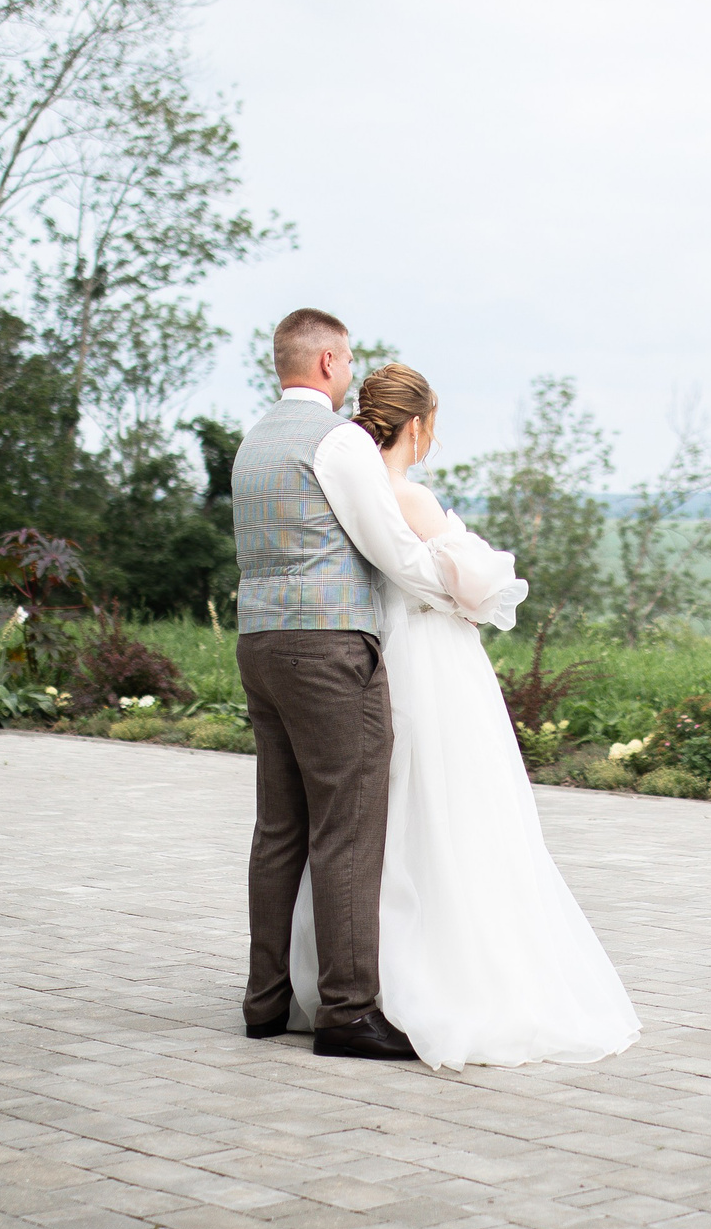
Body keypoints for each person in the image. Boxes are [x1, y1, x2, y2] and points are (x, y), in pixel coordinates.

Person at [282, 361, 640, 1070]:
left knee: (382, 811)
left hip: (383, 646)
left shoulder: (348, 496)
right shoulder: (407, 495)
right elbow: (477, 582)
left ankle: (349, 974)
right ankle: (448, 973)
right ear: (418, 425)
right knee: (455, 804)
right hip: (433, 663)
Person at [232, 308, 460, 1060]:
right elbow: (390, 546)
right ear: (328, 361)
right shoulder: (337, 442)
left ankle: (264, 1001)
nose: (354, 370)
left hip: (259, 642)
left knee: (280, 827)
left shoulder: (254, 442)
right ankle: (348, 1010)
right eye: (350, 358)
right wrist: (462, 582)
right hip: (328, 649)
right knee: (349, 826)